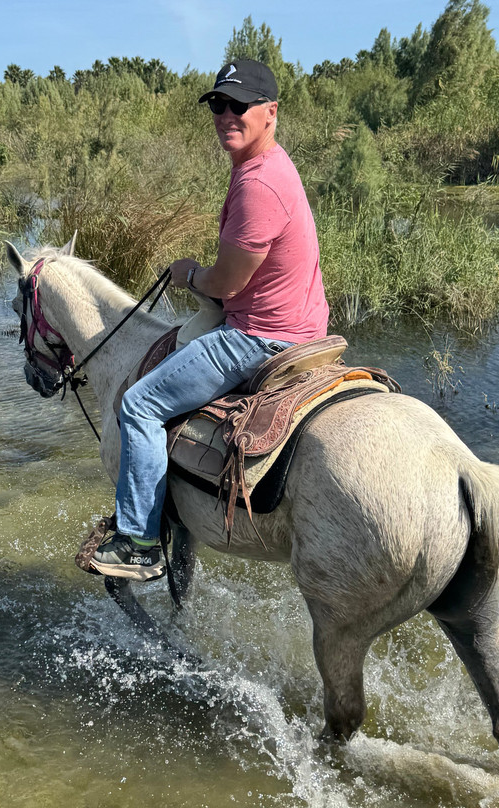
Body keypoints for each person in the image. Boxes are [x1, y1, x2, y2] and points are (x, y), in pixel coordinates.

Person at [92, 59, 329, 580]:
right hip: (306, 326)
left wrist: (189, 275)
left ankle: (138, 543)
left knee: (140, 404)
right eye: (218, 105)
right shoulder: (269, 165)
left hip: (260, 336)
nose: (225, 115)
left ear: (270, 112)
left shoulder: (258, 184)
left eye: (238, 105)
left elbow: (228, 284)